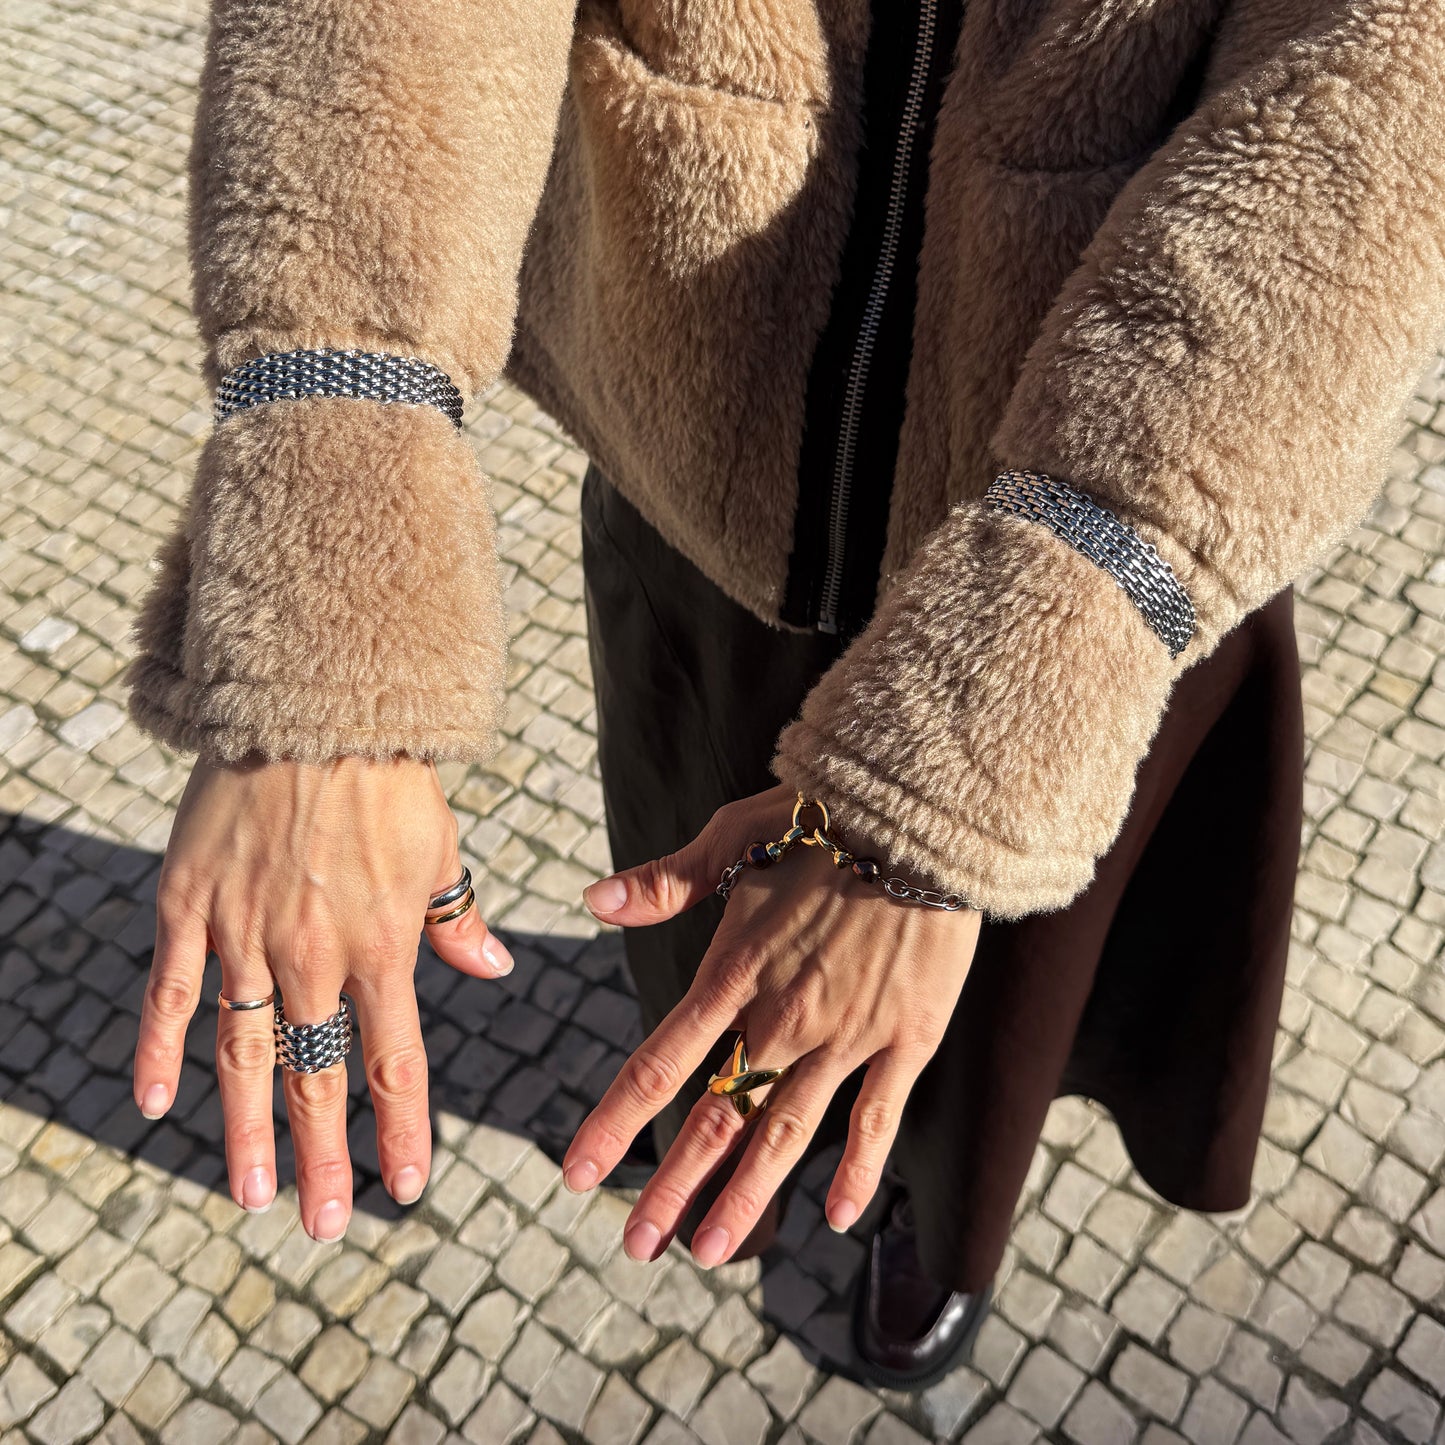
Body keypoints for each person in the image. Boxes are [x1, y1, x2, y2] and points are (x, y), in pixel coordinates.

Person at [124, 0, 1445, 1389]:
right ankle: (766, 1108)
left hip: (1109, 515)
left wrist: (959, 762)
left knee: (1010, 989)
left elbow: (1368, 102)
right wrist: (333, 560)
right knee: (690, 869)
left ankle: (931, 1213)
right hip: (702, 461)